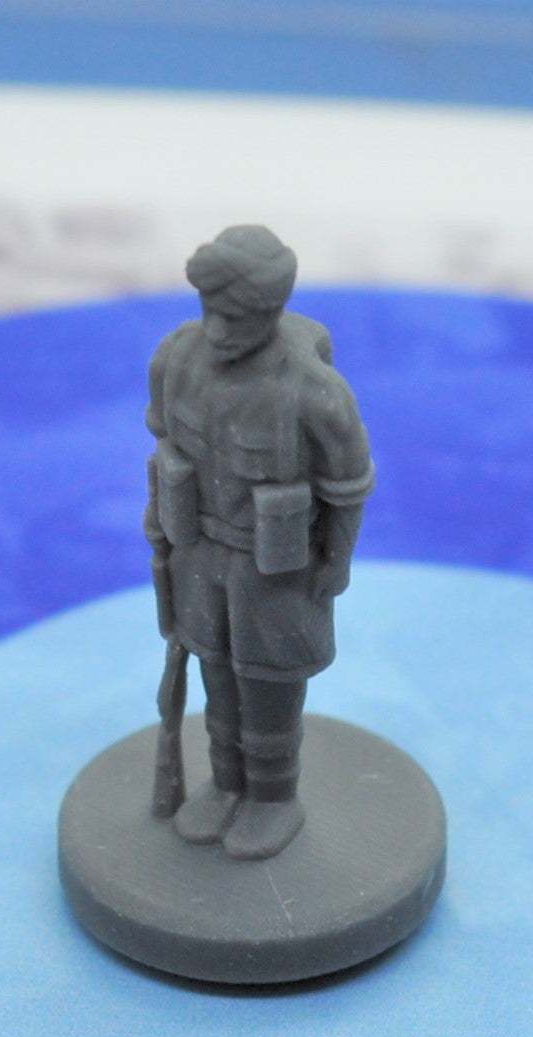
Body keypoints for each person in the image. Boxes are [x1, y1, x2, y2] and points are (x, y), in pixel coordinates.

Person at [143, 225, 374, 859]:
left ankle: (272, 797)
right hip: (197, 551)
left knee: (268, 682)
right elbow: (163, 448)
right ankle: (226, 784)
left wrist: (335, 564)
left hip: (274, 568)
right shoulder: (175, 361)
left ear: (272, 310)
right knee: (214, 669)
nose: (220, 330)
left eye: (239, 316)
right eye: (212, 310)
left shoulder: (314, 392)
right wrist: (160, 523)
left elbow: (348, 488)